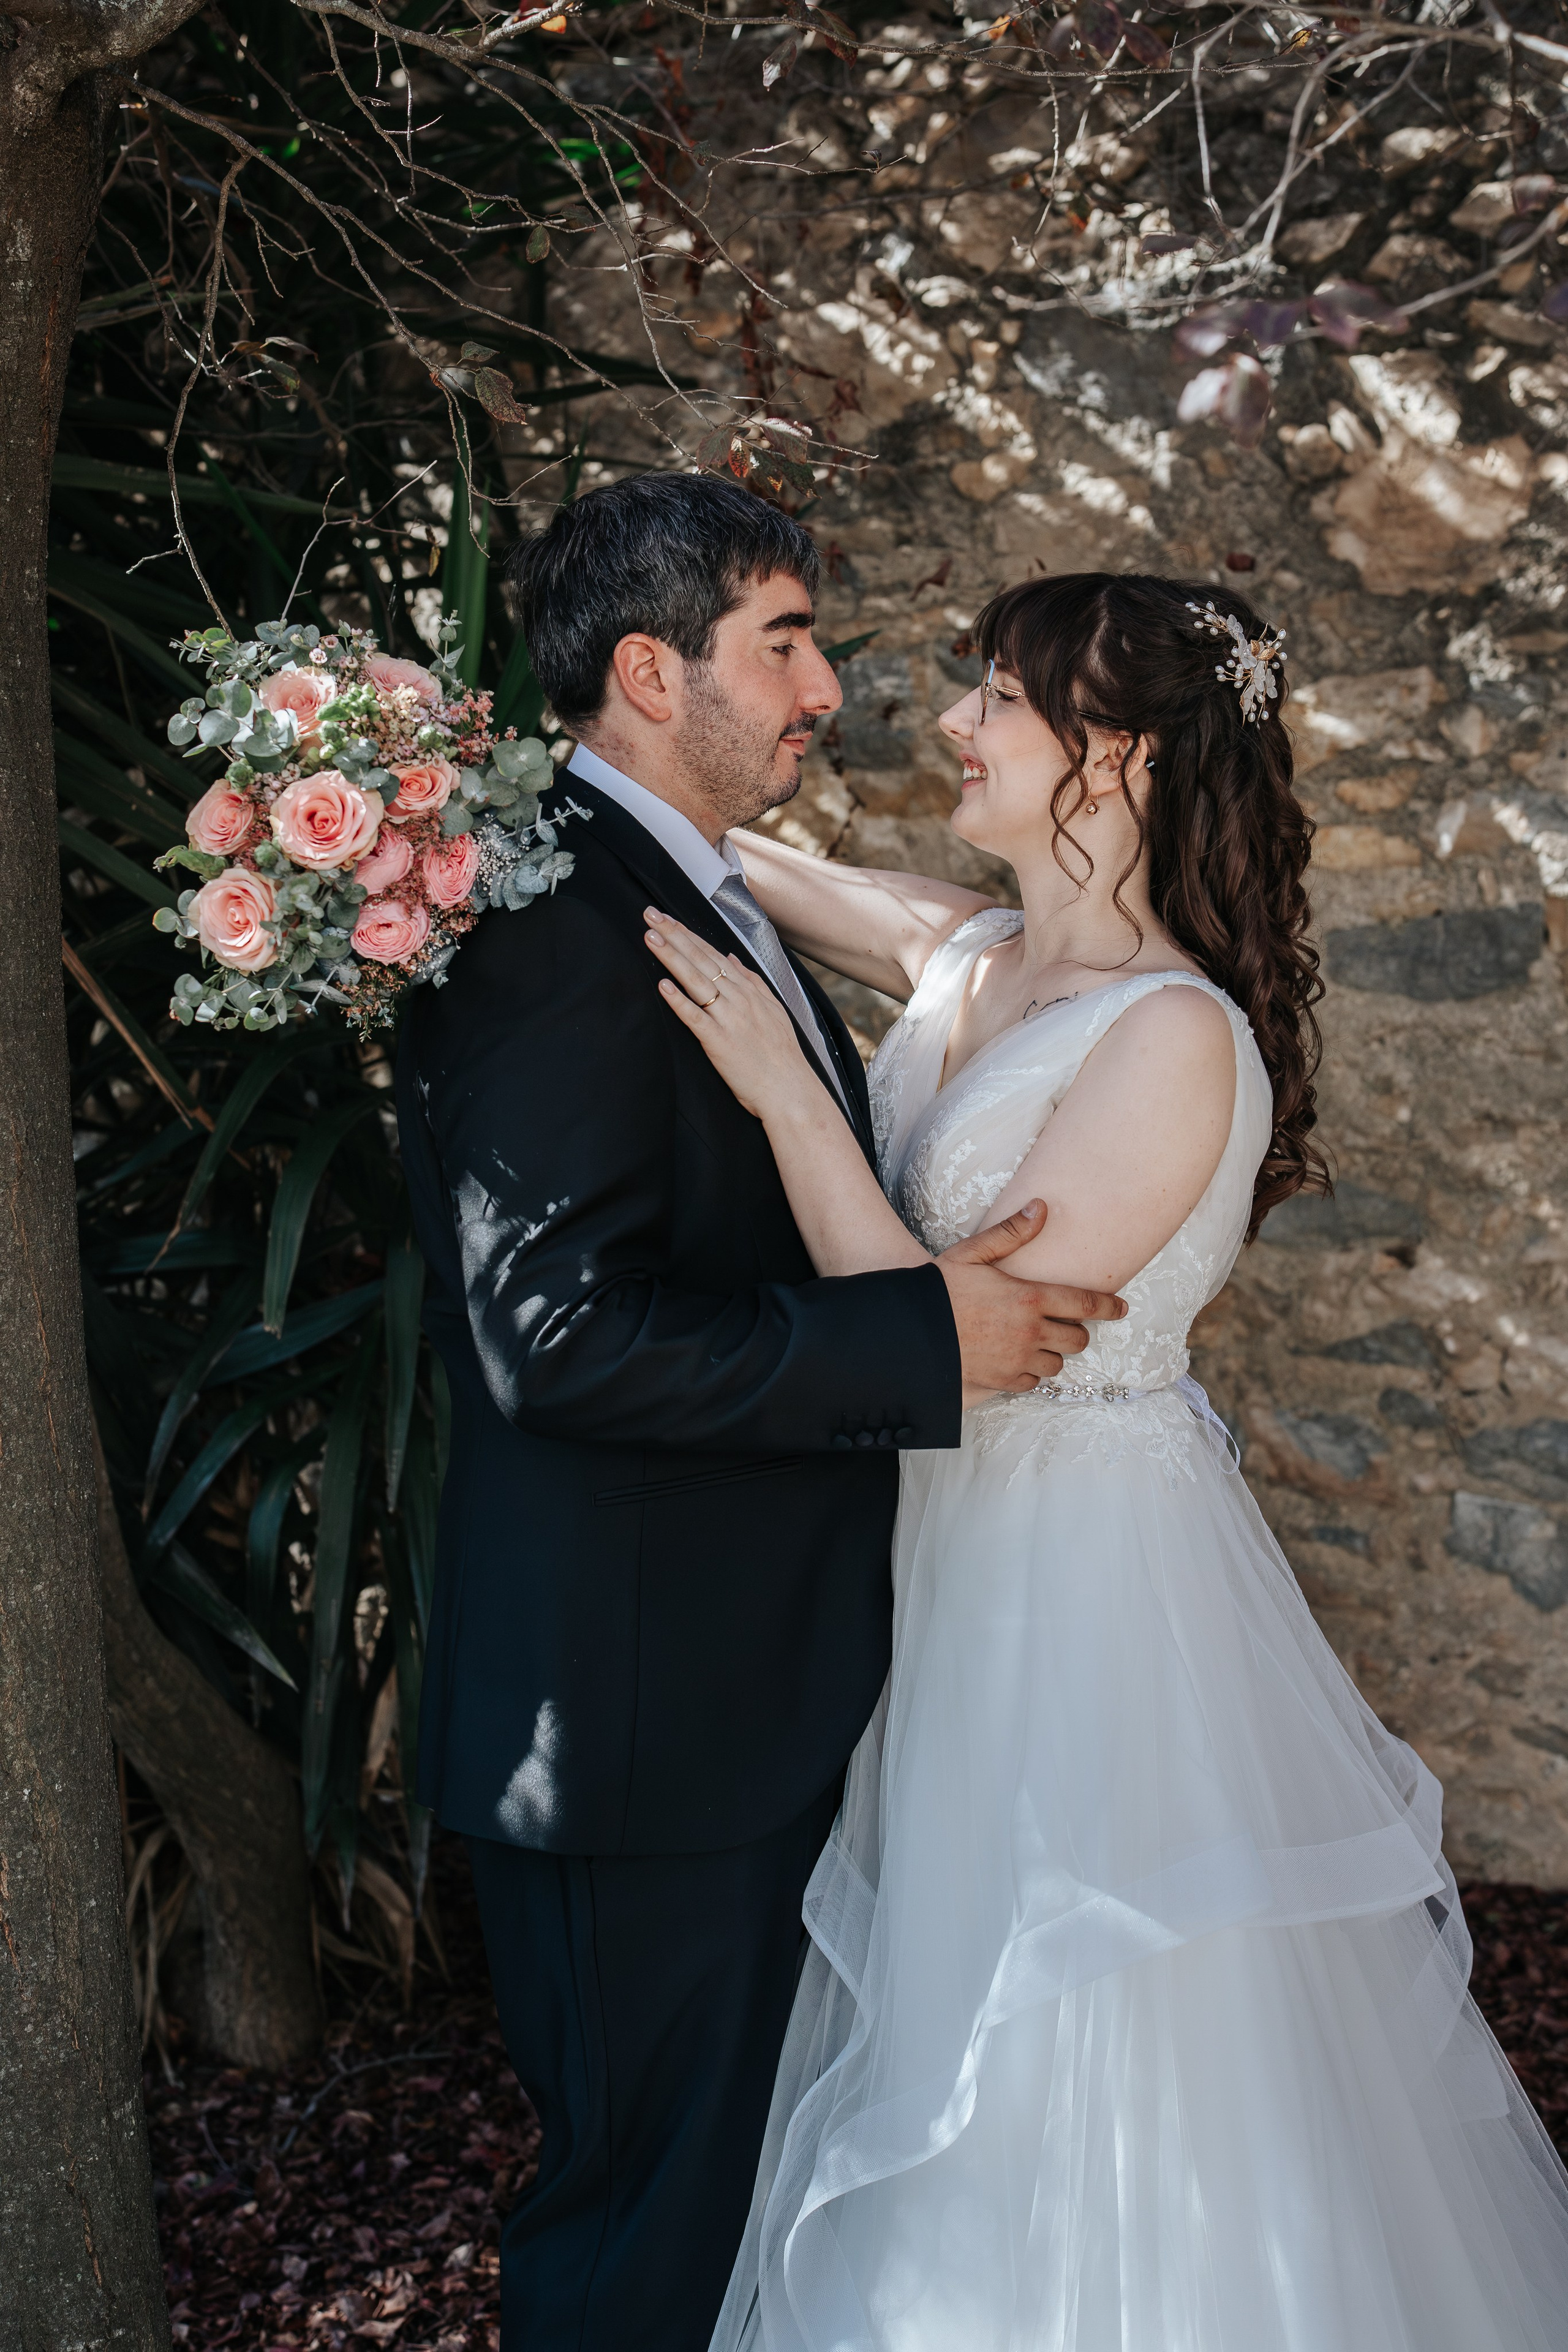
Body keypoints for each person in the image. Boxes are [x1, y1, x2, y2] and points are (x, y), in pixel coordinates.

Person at [642, 570, 1568, 2351]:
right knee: (922, 2010)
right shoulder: (966, 957)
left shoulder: (1180, 1043)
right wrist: (450, 784)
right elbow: (703, 857)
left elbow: (948, 1341)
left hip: (1082, 1607)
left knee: (1070, 2033)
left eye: (1000, 695)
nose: (955, 725)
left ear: (1120, 755)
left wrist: (780, 1087)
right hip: (914, 1566)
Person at [393, 476, 1126, 2352]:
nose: (825, 686)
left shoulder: (668, 880)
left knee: (732, 2223)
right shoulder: (557, 925)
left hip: (739, 1702)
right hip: (640, 1727)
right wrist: (917, 1344)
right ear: (651, 670)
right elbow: (549, 1334)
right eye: (783, 642)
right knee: (647, 2237)